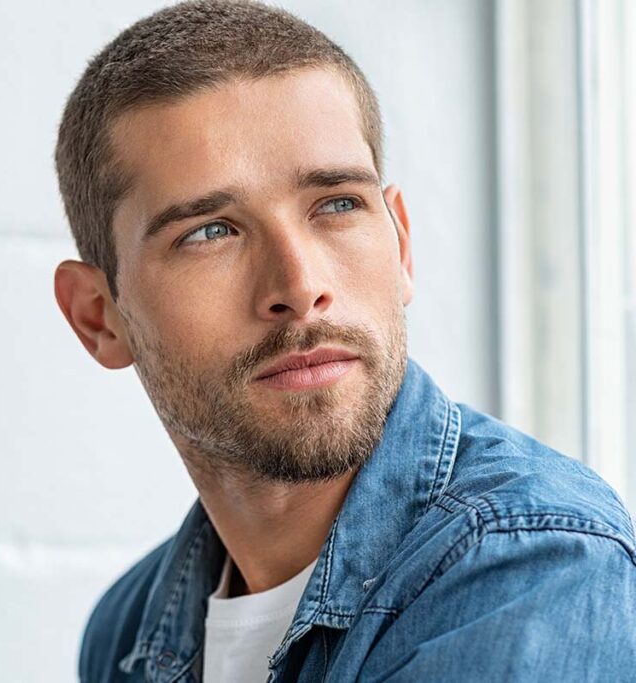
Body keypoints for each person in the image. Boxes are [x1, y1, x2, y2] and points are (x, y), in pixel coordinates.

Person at [51, 1, 636, 681]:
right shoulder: (129, 628)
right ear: (99, 315)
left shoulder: (534, 565)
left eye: (336, 205)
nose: (300, 285)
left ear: (402, 245)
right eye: (211, 231)